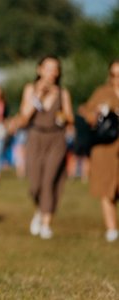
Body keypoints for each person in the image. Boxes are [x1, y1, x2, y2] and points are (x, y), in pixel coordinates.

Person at [18, 55, 74, 240]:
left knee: (50, 181)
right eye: (48, 68)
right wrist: (39, 95)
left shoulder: (62, 92)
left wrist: (63, 117)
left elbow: (70, 118)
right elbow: (25, 117)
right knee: (35, 184)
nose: (52, 73)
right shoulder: (30, 89)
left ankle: (46, 225)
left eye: (55, 69)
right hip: (35, 137)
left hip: (56, 139)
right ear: (39, 70)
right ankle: (39, 211)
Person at [78, 59, 119, 242]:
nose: (117, 79)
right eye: (114, 75)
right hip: (104, 147)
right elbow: (86, 112)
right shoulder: (102, 92)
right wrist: (95, 114)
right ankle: (112, 229)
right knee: (106, 188)